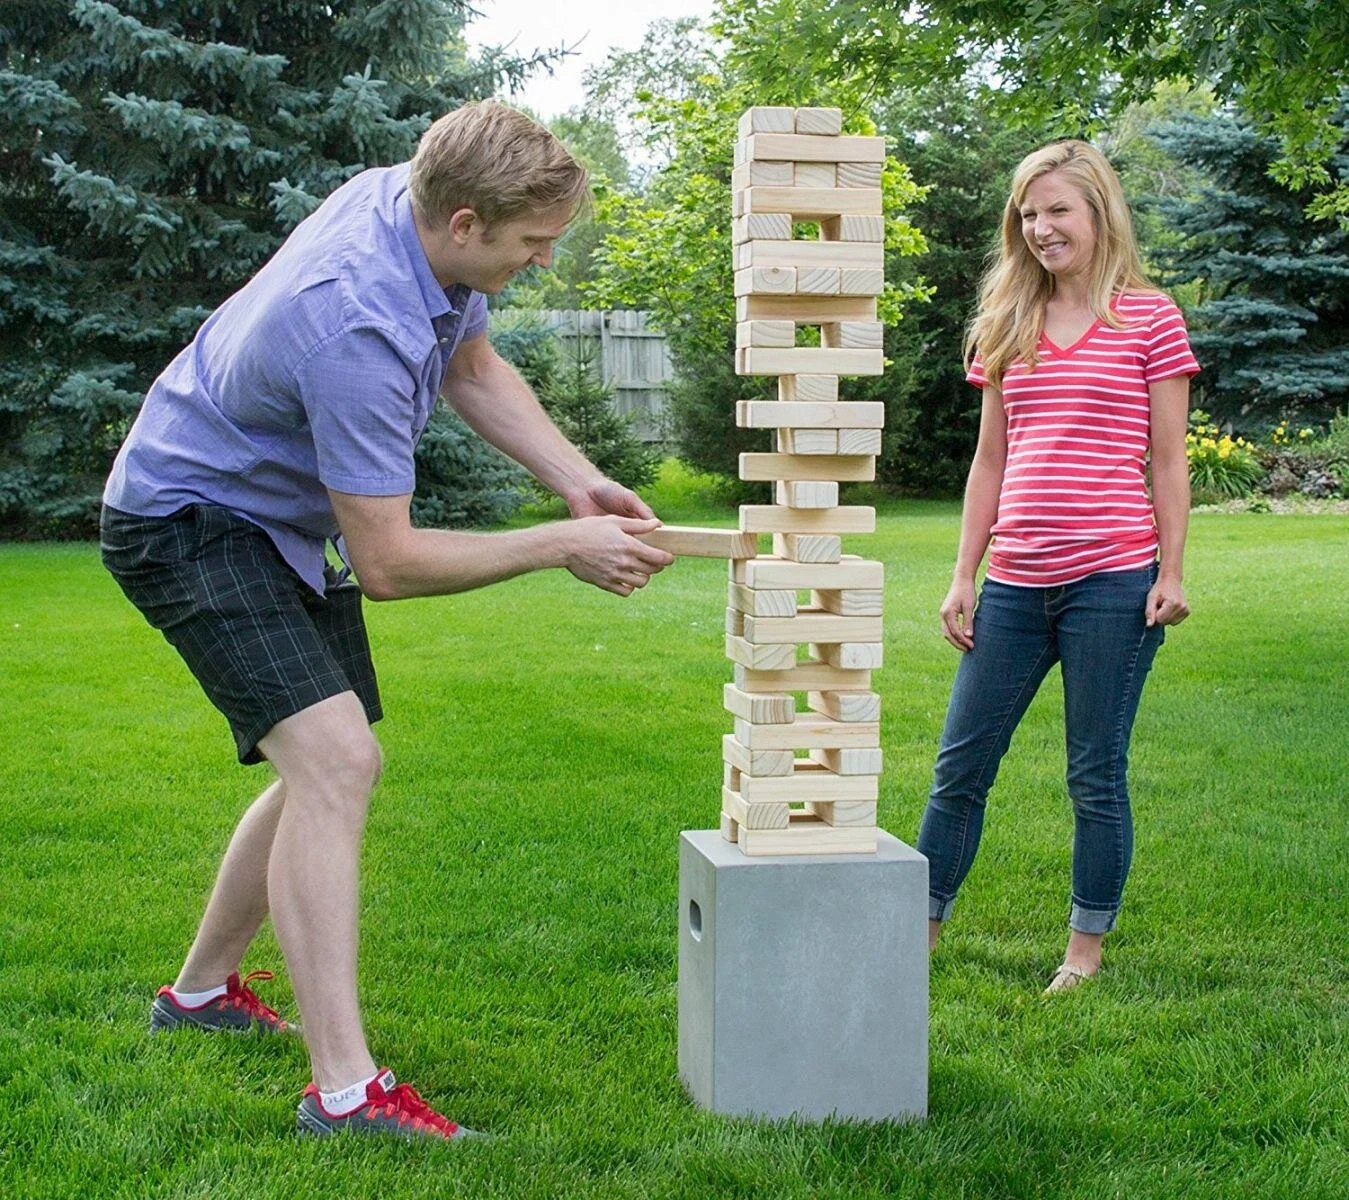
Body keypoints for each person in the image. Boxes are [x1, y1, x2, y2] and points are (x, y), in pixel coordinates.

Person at [100, 100, 674, 1139]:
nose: (543, 262)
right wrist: (557, 546)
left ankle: (198, 996)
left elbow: (470, 367)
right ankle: (345, 1092)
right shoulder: (356, 323)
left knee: (326, 757)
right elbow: (392, 562)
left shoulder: (406, 206)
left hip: (261, 515)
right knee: (334, 763)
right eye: (532, 245)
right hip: (187, 520)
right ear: (463, 222)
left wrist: (578, 484)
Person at [917, 140, 1198, 994]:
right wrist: (965, 573)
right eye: (1028, 214)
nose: (1040, 229)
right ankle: (918, 933)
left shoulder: (1149, 318)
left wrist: (1171, 572)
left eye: (1056, 211)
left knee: (1093, 772)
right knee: (960, 765)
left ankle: (1083, 951)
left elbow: (1167, 462)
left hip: (1113, 580)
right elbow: (989, 463)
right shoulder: (1005, 320)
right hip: (1014, 582)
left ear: (1098, 213)